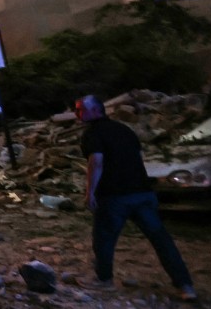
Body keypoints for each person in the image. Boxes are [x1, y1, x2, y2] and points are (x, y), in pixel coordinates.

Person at [75, 95, 197, 301]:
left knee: (104, 239)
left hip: (115, 196)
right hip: (142, 193)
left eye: (80, 110)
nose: (78, 114)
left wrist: (90, 192)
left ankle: (103, 279)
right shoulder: (125, 130)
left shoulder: (92, 133)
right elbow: (138, 158)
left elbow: (96, 162)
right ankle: (185, 285)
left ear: (96, 110)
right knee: (161, 240)